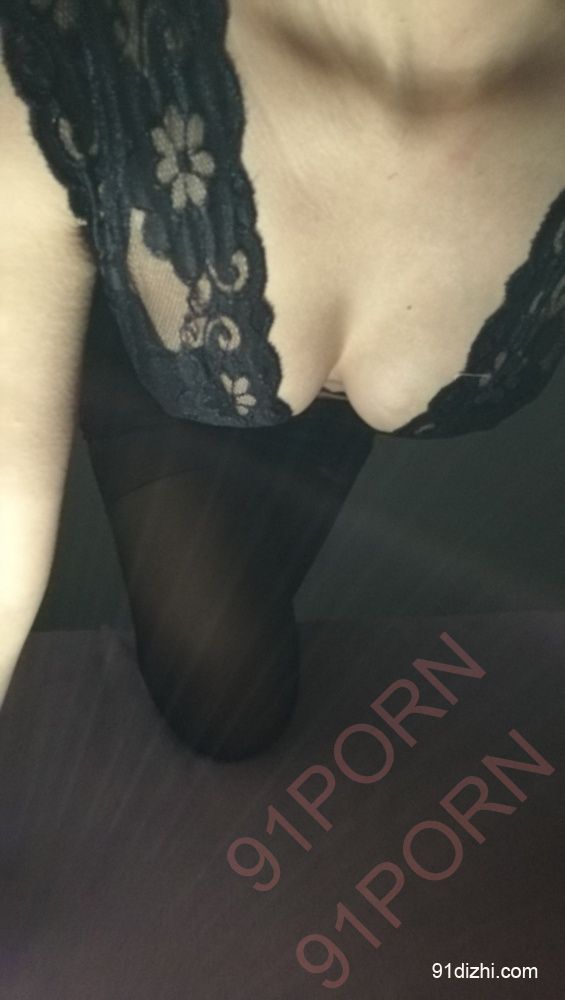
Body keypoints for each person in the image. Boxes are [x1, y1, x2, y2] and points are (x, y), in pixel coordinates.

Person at [2, 0, 565, 761]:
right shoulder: (72, 48)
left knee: (249, 614)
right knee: (227, 707)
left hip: (324, 429)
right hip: (154, 381)